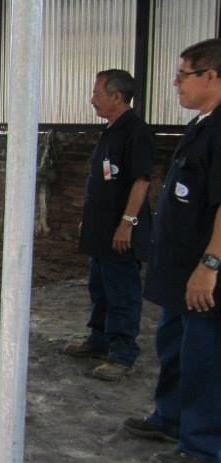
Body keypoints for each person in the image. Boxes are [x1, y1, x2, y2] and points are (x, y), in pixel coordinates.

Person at [121, 39, 221, 463]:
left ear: (212, 76)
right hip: (179, 270)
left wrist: (210, 266)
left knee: (205, 357)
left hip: (203, 273)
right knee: (175, 348)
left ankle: (203, 446)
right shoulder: (201, 126)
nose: (175, 82)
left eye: (184, 74)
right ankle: (171, 418)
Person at [64, 69, 155, 381]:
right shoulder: (110, 131)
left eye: (97, 93)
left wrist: (126, 224)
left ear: (117, 96)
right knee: (99, 287)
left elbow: (142, 181)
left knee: (122, 291)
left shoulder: (136, 131)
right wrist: (88, 222)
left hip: (120, 232)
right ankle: (98, 340)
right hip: (100, 229)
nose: (92, 99)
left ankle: (122, 353)